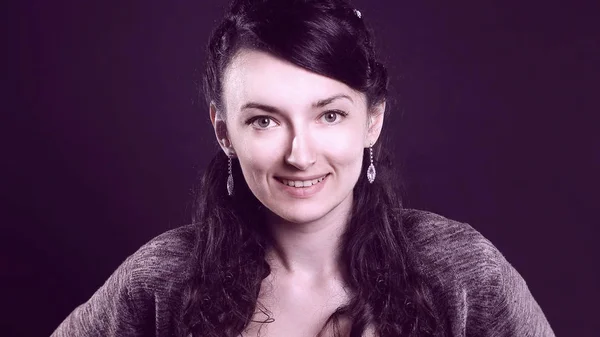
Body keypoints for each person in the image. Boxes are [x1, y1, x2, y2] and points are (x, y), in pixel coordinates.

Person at [52, 0, 555, 336]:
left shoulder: (462, 272)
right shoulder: (162, 279)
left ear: (372, 120)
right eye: (265, 120)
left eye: (330, 114)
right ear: (224, 131)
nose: (300, 154)